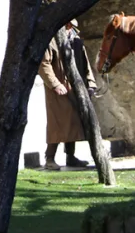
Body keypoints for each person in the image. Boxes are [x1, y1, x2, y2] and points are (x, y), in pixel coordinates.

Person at [38, 19, 97, 170]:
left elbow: (85, 63)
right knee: (58, 123)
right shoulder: (50, 42)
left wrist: (91, 83)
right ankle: (49, 158)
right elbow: (44, 64)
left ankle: (70, 156)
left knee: (74, 122)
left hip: (76, 87)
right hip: (58, 89)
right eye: (68, 26)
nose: (70, 29)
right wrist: (55, 84)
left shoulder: (76, 41)